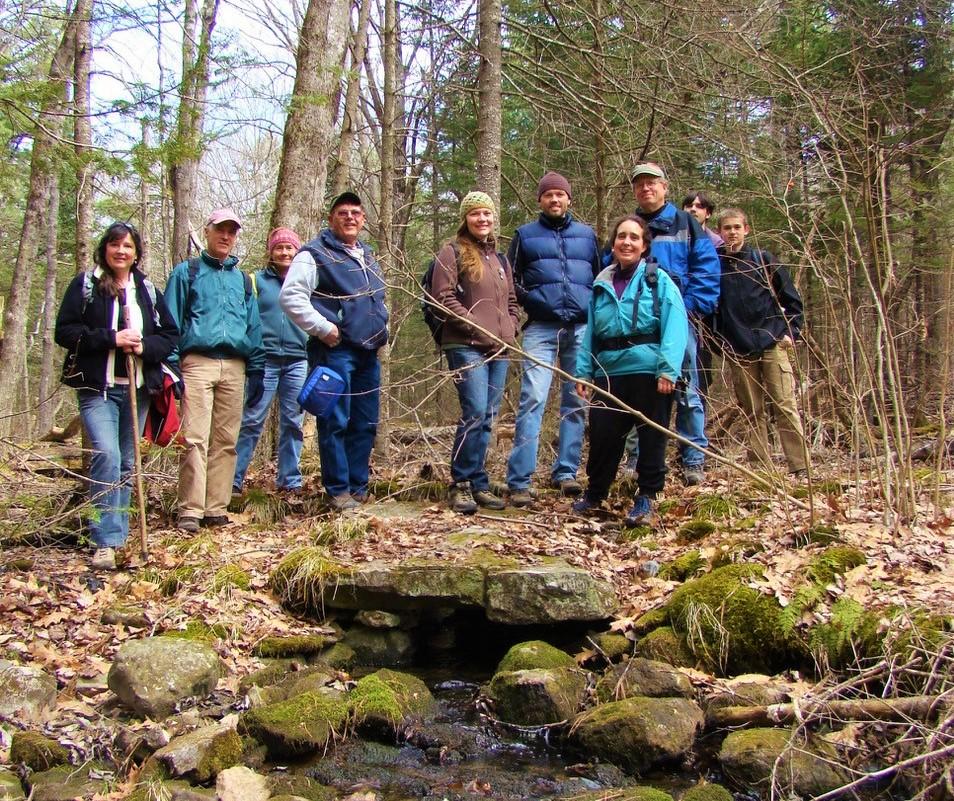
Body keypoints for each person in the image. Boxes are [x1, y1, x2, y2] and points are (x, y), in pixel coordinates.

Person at [55, 222, 179, 569]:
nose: (121, 251)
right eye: (114, 245)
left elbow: (169, 336)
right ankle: (103, 541)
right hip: (98, 388)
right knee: (106, 456)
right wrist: (112, 338)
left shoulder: (147, 290)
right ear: (105, 249)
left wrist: (143, 345)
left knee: (127, 463)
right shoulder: (86, 285)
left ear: (137, 252)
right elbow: (65, 331)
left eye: (127, 246)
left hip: (137, 389)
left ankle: (120, 536)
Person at [574, 215, 688, 525]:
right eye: (621, 236)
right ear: (613, 244)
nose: (627, 242)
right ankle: (595, 494)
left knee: (652, 436)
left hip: (649, 372)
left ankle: (647, 496)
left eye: (634, 237)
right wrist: (584, 372)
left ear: (644, 246)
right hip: (609, 372)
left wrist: (668, 370)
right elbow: (591, 333)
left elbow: (675, 325)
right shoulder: (601, 283)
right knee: (602, 436)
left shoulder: (658, 279)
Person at [280, 192, 388, 511]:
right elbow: (291, 297)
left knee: (365, 421)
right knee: (335, 420)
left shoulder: (367, 256)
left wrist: (383, 327)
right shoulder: (314, 253)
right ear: (331, 219)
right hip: (336, 350)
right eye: (343, 213)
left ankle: (358, 485)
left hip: (369, 351)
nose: (350, 217)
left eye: (356, 212)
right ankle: (338, 490)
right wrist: (324, 328)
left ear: (364, 219)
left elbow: (377, 301)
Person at [164, 208, 265, 532]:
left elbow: (253, 326)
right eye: (220, 229)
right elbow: (170, 321)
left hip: (235, 365)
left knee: (226, 439)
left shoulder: (243, 280)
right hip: (197, 362)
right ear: (207, 232)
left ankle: (215, 508)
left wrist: (258, 367)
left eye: (232, 232)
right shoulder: (187, 272)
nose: (226, 236)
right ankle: (190, 510)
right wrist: (171, 367)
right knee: (194, 437)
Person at [504, 172, 600, 507]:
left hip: (581, 329)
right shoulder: (525, 235)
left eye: (560, 195)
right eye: (549, 196)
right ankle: (519, 480)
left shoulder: (587, 236)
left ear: (569, 199)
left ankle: (566, 473)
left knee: (577, 402)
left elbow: (599, 279)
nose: (555, 200)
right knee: (533, 399)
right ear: (540, 201)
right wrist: (533, 301)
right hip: (541, 328)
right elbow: (509, 280)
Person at [626, 163, 720, 485]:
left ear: (665, 187)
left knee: (688, 391)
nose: (646, 189)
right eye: (640, 184)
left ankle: (693, 458)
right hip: (638, 326)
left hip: (679, 321)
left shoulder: (687, 225)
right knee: (637, 391)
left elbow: (706, 271)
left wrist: (686, 309)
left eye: (652, 183)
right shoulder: (632, 227)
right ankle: (635, 459)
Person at [430, 191, 520, 514]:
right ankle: (460, 483)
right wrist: (472, 323)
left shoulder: (500, 260)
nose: (482, 219)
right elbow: (441, 296)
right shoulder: (452, 252)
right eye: (475, 214)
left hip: (499, 348)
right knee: (475, 411)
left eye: (487, 214)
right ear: (465, 219)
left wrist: (510, 328)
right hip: (466, 345)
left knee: (489, 417)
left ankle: (479, 481)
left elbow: (511, 302)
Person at [715, 208, 807, 475]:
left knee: (784, 404)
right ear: (720, 233)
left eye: (736, 227)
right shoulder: (716, 266)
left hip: (772, 340)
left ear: (746, 229)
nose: (732, 232)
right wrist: (720, 343)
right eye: (727, 228)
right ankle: (760, 468)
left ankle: (800, 467)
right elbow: (711, 310)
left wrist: (792, 332)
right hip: (738, 347)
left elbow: (791, 298)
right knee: (752, 410)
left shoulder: (763, 260)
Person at [232, 227, 308, 495]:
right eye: (280, 248)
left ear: (297, 252)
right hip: (264, 361)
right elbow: (246, 319)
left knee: (293, 422)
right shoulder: (255, 281)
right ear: (271, 252)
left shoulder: (306, 281)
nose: (285, 252)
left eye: (290, 248)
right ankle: (233, 479)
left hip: (298, 360)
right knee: (252, 420)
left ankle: (290, 481)